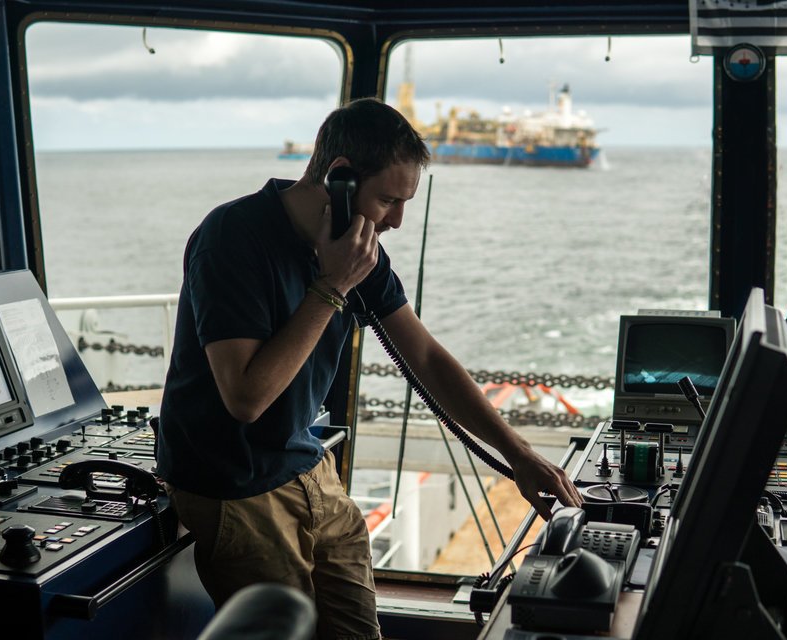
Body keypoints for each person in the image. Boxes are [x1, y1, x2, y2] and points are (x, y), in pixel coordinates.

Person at [156, 97, 583, 640]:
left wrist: (518, 454)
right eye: (388, 200)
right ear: (339, 178)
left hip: (305, 464)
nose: (398, 222)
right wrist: (332, 286)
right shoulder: (232, 238)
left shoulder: (360, 249)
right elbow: (246, 397)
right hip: (233, 485)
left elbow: (425, 356)